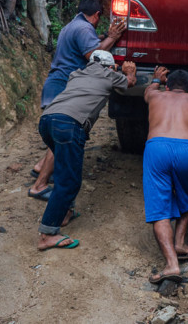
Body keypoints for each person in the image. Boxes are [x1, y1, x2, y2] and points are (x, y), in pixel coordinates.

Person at [35, 51, 136, 251]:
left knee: (66, 170)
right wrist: (129, 71)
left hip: (47, 121)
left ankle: (64, 213)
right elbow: (130, 83)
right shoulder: (109, 75)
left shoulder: (77, 74)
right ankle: (47, 234)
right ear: (110, 67)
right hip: (69, 125)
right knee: (69, 181)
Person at [29, 0, 127, 200]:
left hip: (57, 82)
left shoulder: (73, 25)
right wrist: (114, 37)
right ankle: (41, 184)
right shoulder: (83, 29)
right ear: (97, 15)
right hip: (64, 84)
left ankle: (41, 168)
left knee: (57, 138)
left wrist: (104, 35)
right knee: (63, 135)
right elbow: (93, 54)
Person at [142, 67, 188, 284]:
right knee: (186, 196)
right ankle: (180, 243)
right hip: (187, 148)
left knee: (160, 210)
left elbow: (147, 91)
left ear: (167, 86)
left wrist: (156, 79)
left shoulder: (155, 94)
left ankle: (171, 264)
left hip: (157, 147)